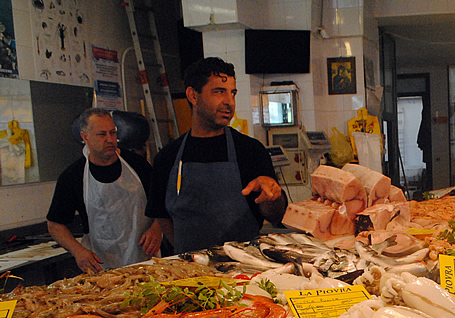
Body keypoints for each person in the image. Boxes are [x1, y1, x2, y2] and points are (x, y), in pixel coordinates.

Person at [147, 57, 286, 253]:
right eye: (219, 92)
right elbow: (161, 214)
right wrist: (186, 253)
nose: (229, 102)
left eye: (233, 93)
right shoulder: (168, 157)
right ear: (193, 96)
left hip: (244, 269)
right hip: (191, 271)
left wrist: (272, 197)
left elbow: (275, 216)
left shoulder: (251, 150)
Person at [46, 108, 161, 273]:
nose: (110, 140)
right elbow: (55, 225)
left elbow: (163, 203)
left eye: (112, 133)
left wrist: (157, 228)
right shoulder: (73, 176)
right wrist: (78, 251)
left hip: (147, 261)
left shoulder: (139, 166)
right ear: (85, 137)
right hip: (101, 267)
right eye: (102, 134)